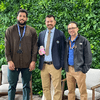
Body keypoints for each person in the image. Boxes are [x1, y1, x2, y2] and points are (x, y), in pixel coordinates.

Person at [5, 9, 37, 100]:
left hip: (27, 63)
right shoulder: (10, 30)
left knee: (26, 86)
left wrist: (33, 61)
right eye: (20, 16)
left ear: (26, 18)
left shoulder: (32, 31)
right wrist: (9, 60)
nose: (22, 18)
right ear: (17, 17)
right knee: (12, 86)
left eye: (24, 16)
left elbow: (35, 47)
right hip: (13, 63)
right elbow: (7, 47)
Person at [38, 15, 65, 100]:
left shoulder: (60, 34)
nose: (49, 23)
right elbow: (39, 46)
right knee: (45, 88)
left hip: (55, 65)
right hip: (44, 65)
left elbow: (63, 50)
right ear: (45, 22)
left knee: (57, 88)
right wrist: (39, 50)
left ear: (54, 22)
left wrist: (61, 65)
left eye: (51, 21)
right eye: (48, 21)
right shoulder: (41, 34)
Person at [64, 21, 92, 100]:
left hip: (79, 70)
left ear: (77, 29)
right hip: (69, 70)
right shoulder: (67, 41)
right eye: (69, 28)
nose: (71, 30)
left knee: (82, 92)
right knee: (70, 91)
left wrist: (84, 69)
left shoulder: (83, 40)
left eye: (73, 28)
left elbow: (88, 56)